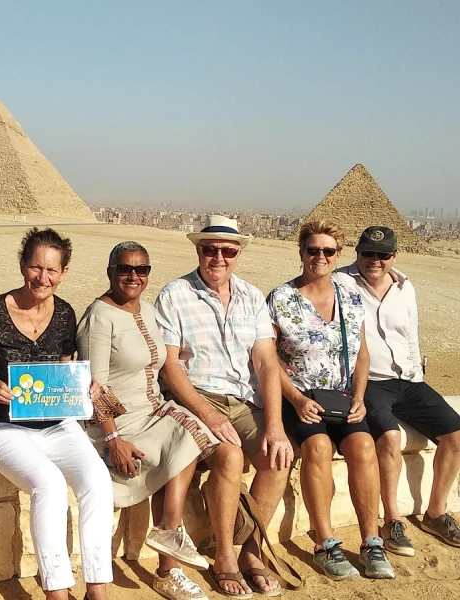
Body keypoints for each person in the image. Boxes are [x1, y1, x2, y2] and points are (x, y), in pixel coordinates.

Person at [0, 228, 113, 600]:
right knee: (47, 483)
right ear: (22, 265)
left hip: (55, 424)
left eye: (52, 270)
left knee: (96, 478)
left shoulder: (65, 314)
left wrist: (83, 387)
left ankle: (97, 588)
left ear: (64, 273)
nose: (42, 278)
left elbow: (64, 369)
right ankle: (57, 591)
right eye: (36, 267)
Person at [154, 216, 294, 599]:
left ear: (238, 254)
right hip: (198, 399)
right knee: (229, 457)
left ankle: (251, 550)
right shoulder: (175, 294)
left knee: (279, 455)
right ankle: (225, 557)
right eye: (209, 249)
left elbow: (266, 362)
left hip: (245, 400)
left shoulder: (251, 296)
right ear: (198, 251)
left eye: (227, 250)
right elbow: (170, 365)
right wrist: (207, 412)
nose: (218, 257)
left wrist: (275, 425)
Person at [77, 241, 220, 600]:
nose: (133, 276)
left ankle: (169, 529)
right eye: (125, 269)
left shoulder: (149, 311)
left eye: (142, 270)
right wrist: (113, 439)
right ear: (110, 272)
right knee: (185, 434)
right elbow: (95, 388)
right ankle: (169, 555)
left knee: (195, 429)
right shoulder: (100, 316)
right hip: (117, 422)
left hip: (152, 411)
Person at [266, 219, 394, 581]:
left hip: (342, 398)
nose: (320, 256)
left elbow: (362, 352)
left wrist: (359, 396)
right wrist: (293, 398)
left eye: (328, 251)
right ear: (301, 252)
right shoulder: (281, 298)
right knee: (319, 447)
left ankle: (372, 542)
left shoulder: (350, 297)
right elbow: (267, 357)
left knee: (364, 447)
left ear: (338, 255)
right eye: (313, 250)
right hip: (301, 398)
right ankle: (325, 544)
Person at [334, 226, 460, 554]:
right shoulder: (341, 283)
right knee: (390, 437)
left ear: (393, 256)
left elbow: (410, 333)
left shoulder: (404, 286)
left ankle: (436, 512)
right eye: (369, 253)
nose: (375, 261)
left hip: (408, 380)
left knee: (457, 434)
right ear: (358, 252)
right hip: (370, 381)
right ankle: (392, 520)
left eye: (383, 255)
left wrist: (415, 372)